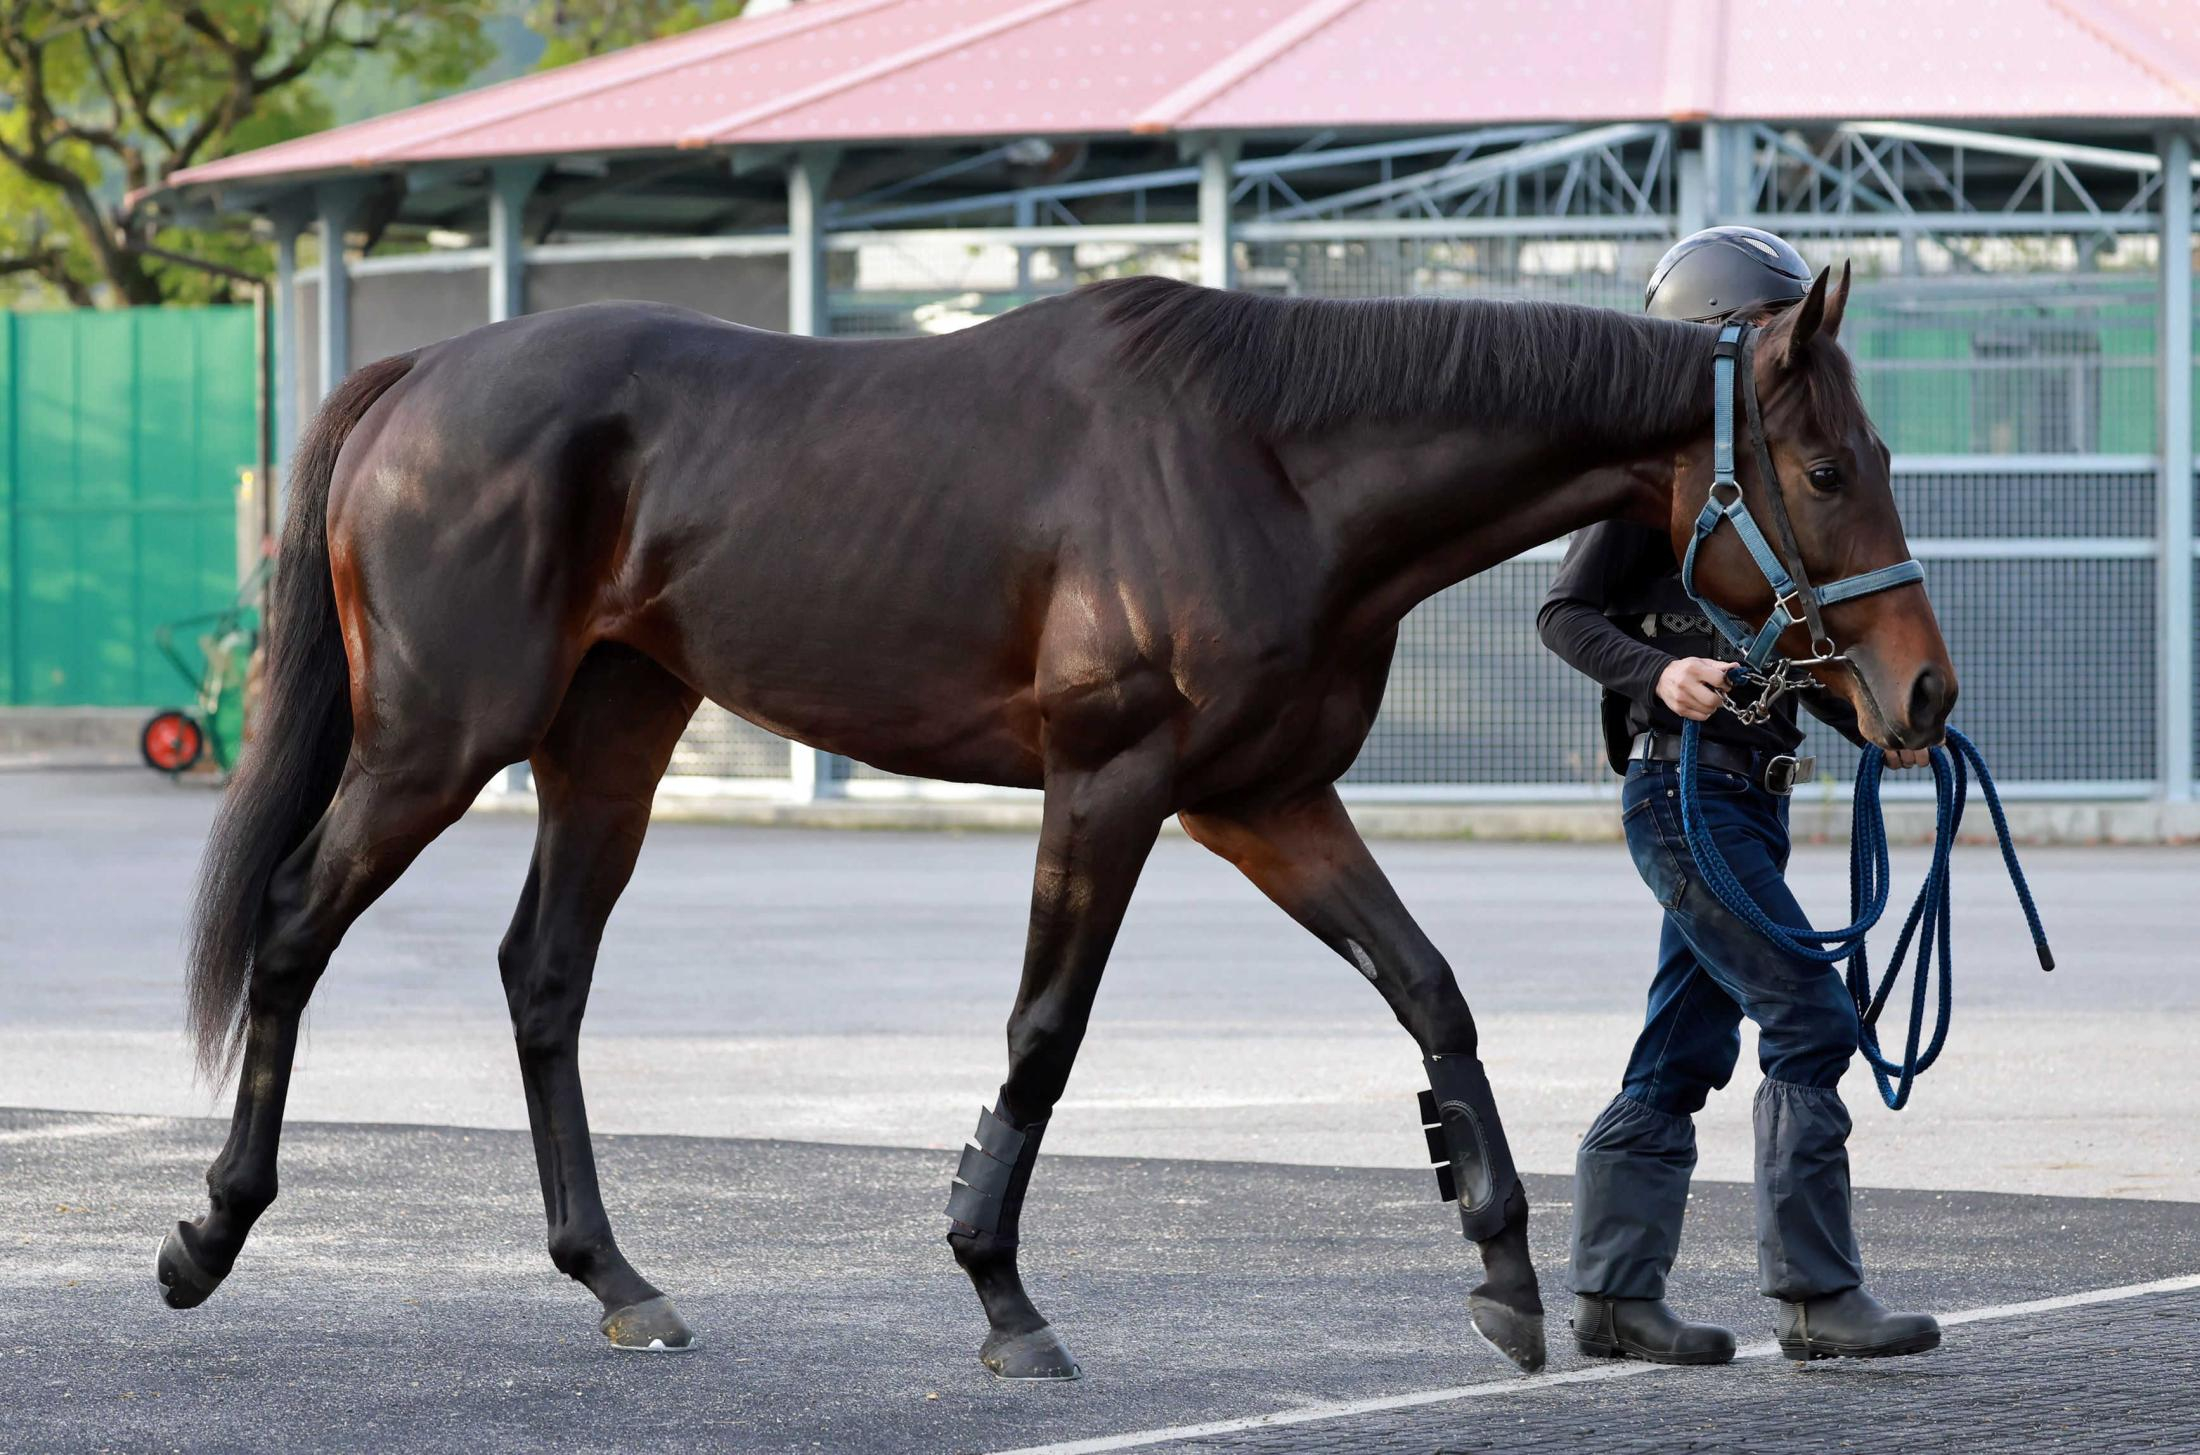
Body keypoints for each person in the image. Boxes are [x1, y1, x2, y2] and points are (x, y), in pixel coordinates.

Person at [1537, 227, 1942, 1366]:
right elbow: (1563, 617)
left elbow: (1787, 660)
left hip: (1745, 801)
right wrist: (1655, 673)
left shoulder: (1760, 486)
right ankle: (1816, 1296)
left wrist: (1871, 725)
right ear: (1722, 341)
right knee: (1809, 1018)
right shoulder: (1647, 491)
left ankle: (1615, 1301)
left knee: (1679, 1048)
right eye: (1764, 333)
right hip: (1680, 790)